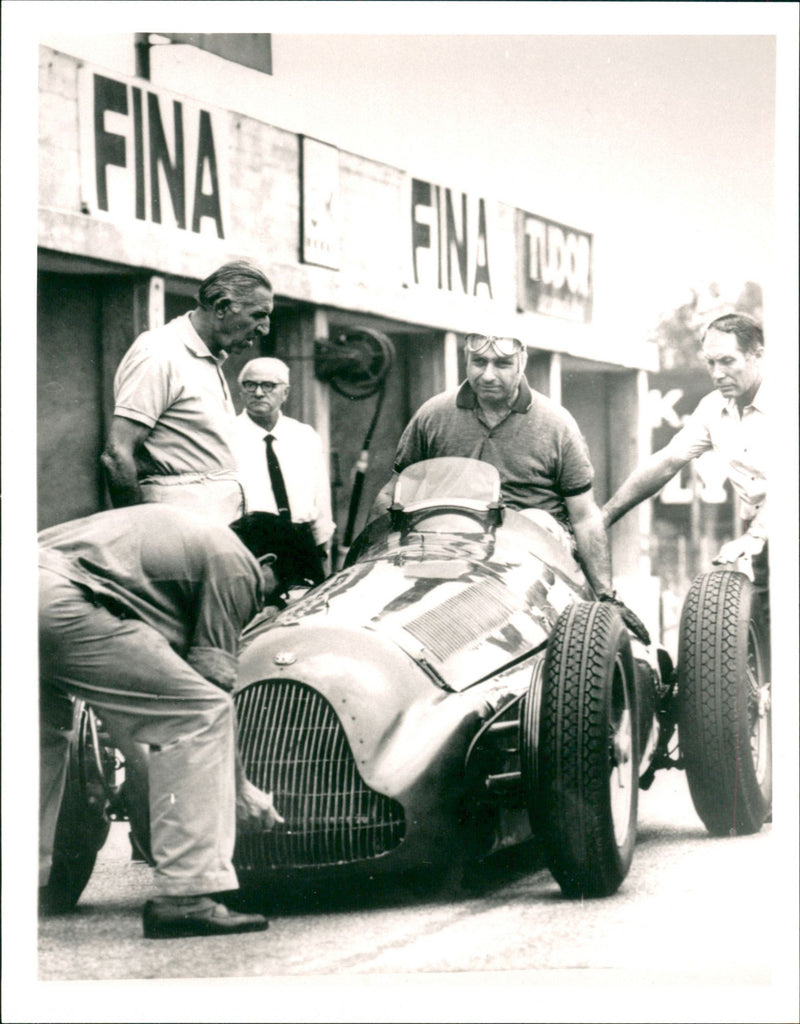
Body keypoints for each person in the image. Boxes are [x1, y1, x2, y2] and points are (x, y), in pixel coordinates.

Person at [38, 505, 317, 938]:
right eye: (274, 596)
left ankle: (23, 888)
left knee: (39, 740)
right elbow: (210, 693)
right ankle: (187, 898)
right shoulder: (235, 562)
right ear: (268, 564)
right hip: (61, 600)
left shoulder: (179, 543)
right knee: (200, 712)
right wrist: (240, 789)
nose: (261, 608)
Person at [372, 332, 650, 643]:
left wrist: (605, 597)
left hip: (531, 560)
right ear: (466, 360)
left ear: (522, 363)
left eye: (502, 364)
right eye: (478, 362)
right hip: (449, 546)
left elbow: (584, 516)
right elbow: (391, 493)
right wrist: (367, 568)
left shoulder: (557, 424)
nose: (487, 375)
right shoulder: (433, 415)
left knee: (537, 521)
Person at [100, 261, 274, 526]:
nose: (265, 328)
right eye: (259, 315)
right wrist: (140, 536)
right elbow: (116, 455)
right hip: (176, 535)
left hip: (212, 534)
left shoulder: (209, 358)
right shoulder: (160, 353)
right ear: (222, 307)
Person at [602, 313, 767, 587]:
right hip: (762, 543)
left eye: (727, 361)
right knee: (761, 621)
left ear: (757, 356)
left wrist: (756, 535)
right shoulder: (713, 407)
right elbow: (666, 462)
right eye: (710, 363)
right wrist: (605, 516)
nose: (717, 373)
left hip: (773, 532)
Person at [232, 356, 334, 574]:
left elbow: (321, 498)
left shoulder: (304, 435)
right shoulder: (225, 436)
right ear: (241, 391)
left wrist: (322, 549)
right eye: (250, 385)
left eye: (268, 385)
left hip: (301, 542)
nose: (258, 393)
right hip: (251, 545)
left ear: (285, 393)